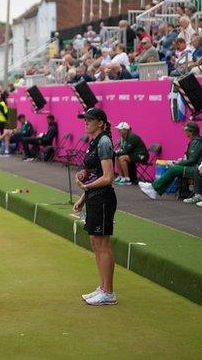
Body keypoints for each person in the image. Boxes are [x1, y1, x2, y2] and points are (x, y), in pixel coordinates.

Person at [73, 108, 117, 306]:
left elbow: (108, 177)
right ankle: (102, 288)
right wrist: (83, 195)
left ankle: (109, 292)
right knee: (94, 242)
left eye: (89, 120)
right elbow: (94, 173)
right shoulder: (94, 142)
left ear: (100, 122)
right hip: (94, 197)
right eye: (85, 119)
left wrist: (86, 187)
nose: (85, 122)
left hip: (103, 199)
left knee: (102, 244)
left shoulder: (104, 142)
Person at [139, 121, 202, 200]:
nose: (185, 132)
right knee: (174, 169)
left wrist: (178, 163)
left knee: (174, 168)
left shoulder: (196, 142)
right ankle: (153, 189)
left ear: (192, 131)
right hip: (195, 167)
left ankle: (152, 188)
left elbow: (192, 160)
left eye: (186, 130)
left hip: (197, 169)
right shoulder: (194, 141)